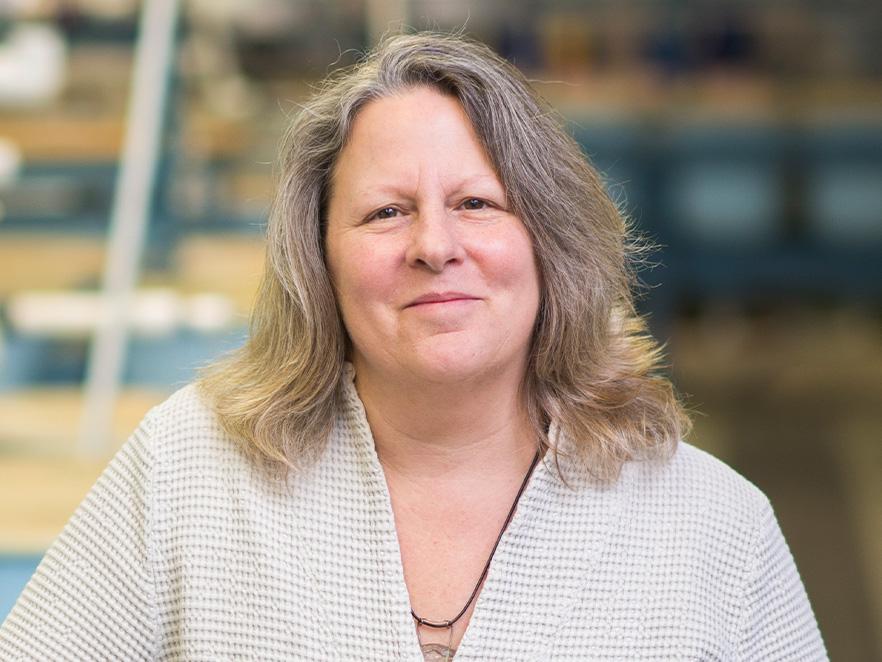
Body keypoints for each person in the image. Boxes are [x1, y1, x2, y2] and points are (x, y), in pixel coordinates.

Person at [0, 32, 827, 661]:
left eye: (475, 203)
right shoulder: (185, 471)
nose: (435, 245)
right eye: (385, 212)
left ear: (552, 242)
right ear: (317, 260)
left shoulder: (715, 528)